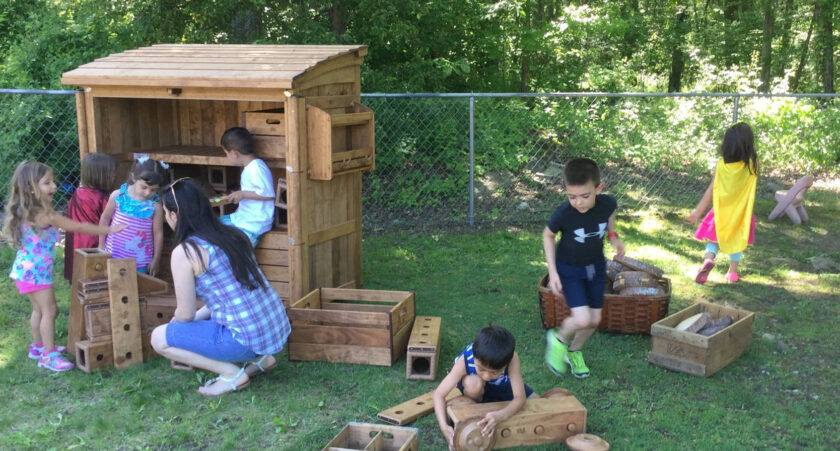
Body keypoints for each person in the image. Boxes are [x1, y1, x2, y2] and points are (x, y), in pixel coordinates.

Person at [150, 178, 290, 396]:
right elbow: (227, 295)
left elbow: (185, 314)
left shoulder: (186, 252)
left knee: (159, 338)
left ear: (174, 216)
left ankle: (231, 374)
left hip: (244, 339)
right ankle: (263, 359)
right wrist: (189, 321)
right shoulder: (234, 234)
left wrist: (177, 321)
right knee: (188, 324)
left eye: (166, 213)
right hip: (275, 328)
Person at [3, 161, 125, 371]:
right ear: (32, 187)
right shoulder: (45, 215)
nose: (54, 187)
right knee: (50, 311)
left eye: (53, 182)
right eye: (47, 183)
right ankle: (48, 356)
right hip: (36, 274)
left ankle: (37, 347)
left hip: (25, 271)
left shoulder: (26, 210)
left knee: (39, 310)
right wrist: (108, 231)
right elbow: (77, 226)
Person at [543, 158, 625, 379]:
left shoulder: (607, 203)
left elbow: (610, 213)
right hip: (569, 270)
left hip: (596, 267)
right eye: (572, 196)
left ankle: (574, 351)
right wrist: (553, 272)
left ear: (598, 189)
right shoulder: (564, 213)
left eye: (585, 196)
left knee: (594, 320)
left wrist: (613, 235)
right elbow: (548, 235)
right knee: (582, 319)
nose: (578, 202)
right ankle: (559, 339)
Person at [433, 326, 536, 449]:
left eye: (494, 372)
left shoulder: (512, 359)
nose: (486, 376)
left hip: (502, 386)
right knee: (473, 384)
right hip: (474, 387)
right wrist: (444, 427)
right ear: (475, 356)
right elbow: (438, 394)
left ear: (505, 363)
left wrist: (501, 415)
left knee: (540, 404)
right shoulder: (466, 359)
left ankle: (491, 403)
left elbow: (520, 398)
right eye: (481, 369)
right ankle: (475, 405)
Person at [686, 122, 758, 284]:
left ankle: (708, 260)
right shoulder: (752, 166)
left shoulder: (721, 165)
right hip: (742, 214)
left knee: (713, 241)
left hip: (720, 213)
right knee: (737, 241)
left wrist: (697, 212)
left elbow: (711, 190)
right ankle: (732, 272)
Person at [99, 156, 168, 275]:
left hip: (141, 262)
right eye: (144, 187)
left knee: (138, 290)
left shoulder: (155, 207)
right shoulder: (118, 196)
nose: (148, 193)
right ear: (133, 178)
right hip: (114, 256)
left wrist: (156, 259)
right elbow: (105, 219)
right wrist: (101, 246)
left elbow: (158, 234)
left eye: (153, 190)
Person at [63, 153, 117, 281]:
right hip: (93, 247)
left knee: (78, 279)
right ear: (103, 176)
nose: (115, 176)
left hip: (76, 245)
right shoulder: (102, 198)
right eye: (113, 173)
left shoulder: (77, 193)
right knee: (94, 279)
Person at [218, 127, 275, 247]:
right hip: (245, 217)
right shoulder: (250, 167)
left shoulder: (257, 168)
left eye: (226, 153)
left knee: (237, 249)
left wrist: (242, 194)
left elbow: (268, 194)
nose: (227, 156)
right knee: (212, 225)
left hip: (254, 223)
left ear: (234, 154)